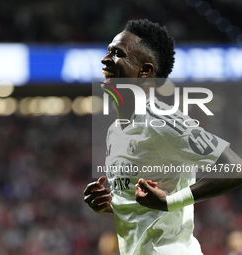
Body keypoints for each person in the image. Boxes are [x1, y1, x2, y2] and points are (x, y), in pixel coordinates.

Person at [83, 19, 242, 255]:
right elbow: (144, 205)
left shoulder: (163, 121)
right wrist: (111, 204)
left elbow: (235, 168)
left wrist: (170, 202)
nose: (105, 59)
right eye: (108, 51)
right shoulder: (115, 130)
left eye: (117, 54)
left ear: (145, 70)